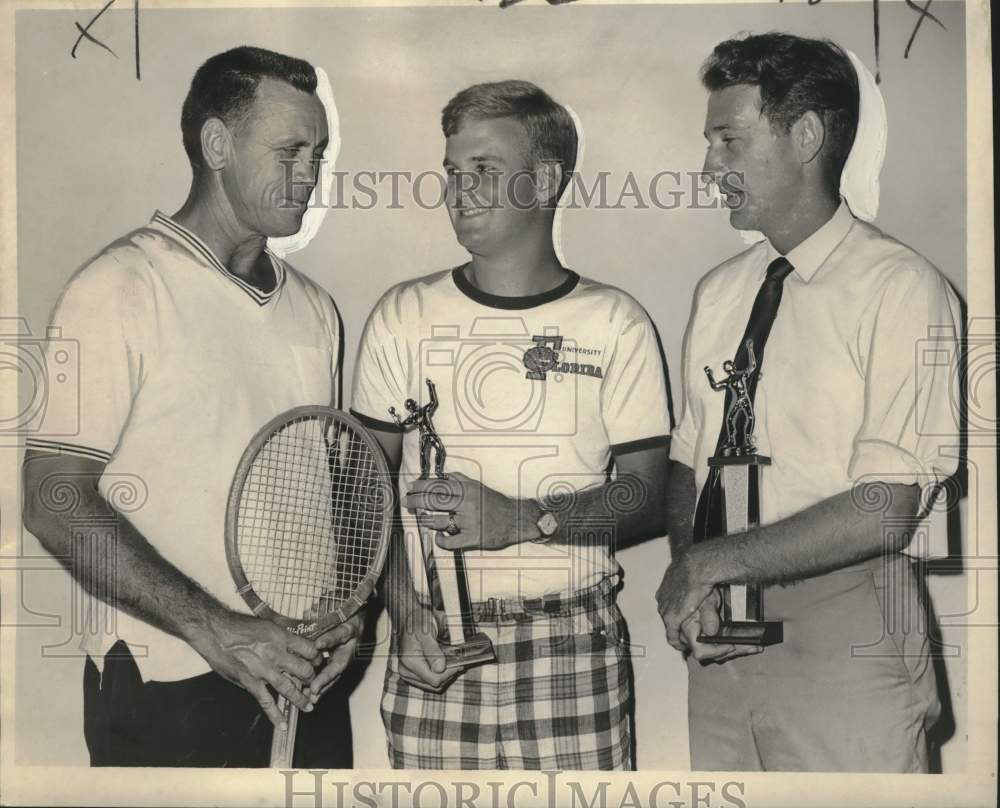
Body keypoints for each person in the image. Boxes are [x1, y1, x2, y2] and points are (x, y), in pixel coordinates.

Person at [21, 46, 360, 767]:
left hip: (303, 683)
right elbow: (53, 498)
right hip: (167, 689)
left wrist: (346, 616)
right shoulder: (120, 286)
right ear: (216, 145)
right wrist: (214, 627)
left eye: (319, 153)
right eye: (291, 150)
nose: (311, 174)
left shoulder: (317, 311)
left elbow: (320, 492)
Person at [655, 33, 962, 772]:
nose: (710, 167)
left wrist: (712, 562)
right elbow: (687, 466)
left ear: (807, 136)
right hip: (723, 640)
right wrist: (692, 572)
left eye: (729, 139)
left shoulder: (900, 288)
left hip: (849, 630)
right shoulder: (720, 291)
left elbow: (885, 507)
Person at [351, 80, 671, 770]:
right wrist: (405, 614)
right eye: (454, 172)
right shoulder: (401, 316)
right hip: (433, 646)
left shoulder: (616, 322)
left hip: (573, 646)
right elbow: (362, 492)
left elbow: (649, 494)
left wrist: (527, 519)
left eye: (485, 171)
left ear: (545, 180)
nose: (461, 191)